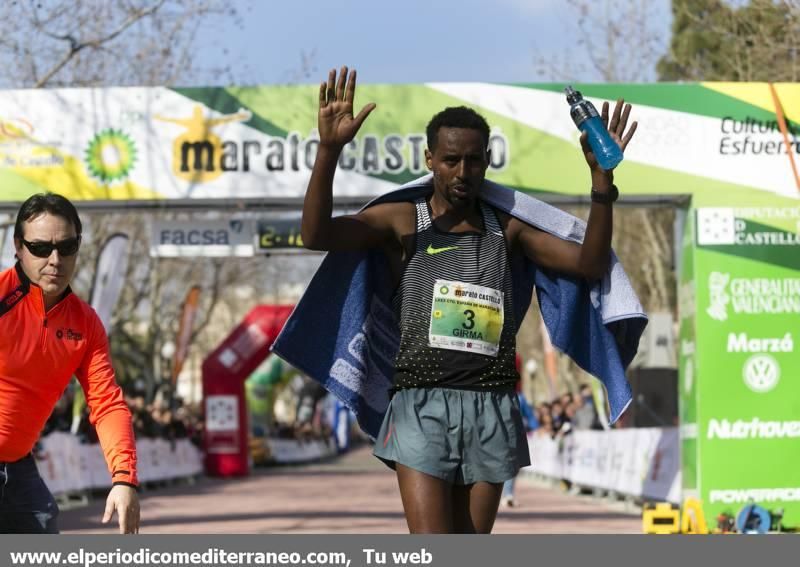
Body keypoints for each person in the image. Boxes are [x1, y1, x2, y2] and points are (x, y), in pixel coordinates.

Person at [299, 66, 637, 533]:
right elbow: (316, 234)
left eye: (474, 161)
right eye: (451, 160)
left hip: (492, 405)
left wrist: (602, 185)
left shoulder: (509, 227)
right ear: (430, 159)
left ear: (487, 161)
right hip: (420, 404)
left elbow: (590, 266)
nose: (463, 172)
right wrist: (329, 150)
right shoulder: (404, 219)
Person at [0, 193, 140, 534]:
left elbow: (106, 405)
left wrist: (125, 480)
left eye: (66, 247)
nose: (55, 259)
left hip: (17, 465)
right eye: (40, 248)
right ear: (18, 247)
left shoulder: (86, 323)